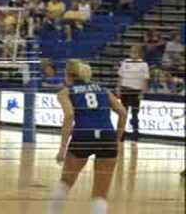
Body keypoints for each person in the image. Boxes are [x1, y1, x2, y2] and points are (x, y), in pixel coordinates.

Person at [49, 60, 126, 214]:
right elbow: (122, 112)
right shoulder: (103, 90)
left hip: (83, 135)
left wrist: (62, 148)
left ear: (68, 75)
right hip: (107, 137)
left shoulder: (66, 92)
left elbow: (69, 115)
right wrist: (116, 139)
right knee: (100, 195)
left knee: (65, 183)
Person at [117, 45, 150, 144]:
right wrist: (118, 88)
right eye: (132, 52)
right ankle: (121, 134)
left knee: (135, 114)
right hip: (125, 90)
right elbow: (120, 77)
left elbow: (145, 79)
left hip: (136, 91)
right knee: (123, 112)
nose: (133, 54)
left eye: (135, 52)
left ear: (140, 53)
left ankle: (135, 135)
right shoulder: (125, 62)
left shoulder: (143, 64)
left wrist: (142, 92)